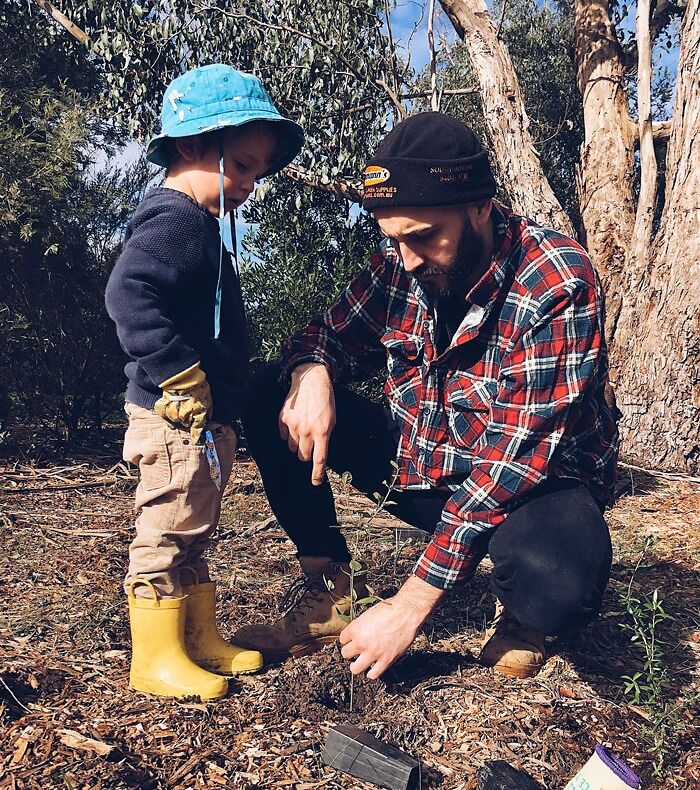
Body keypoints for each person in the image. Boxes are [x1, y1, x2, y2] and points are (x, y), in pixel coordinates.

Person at [234, 112, 619, 680]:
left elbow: (512, 462)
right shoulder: (401, 263)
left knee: (561, 577)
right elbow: (325, 333)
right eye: (393, 238)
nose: (407, 258)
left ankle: (524, 618)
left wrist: (410, 605)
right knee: (272, 389)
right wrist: (312, 373)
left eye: (423, 236)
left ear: (480, 208)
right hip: (426, 462)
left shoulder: (555, 281)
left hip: (532, 483)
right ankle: (328, 588)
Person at [105, 63, 304, 699]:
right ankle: (154, 659)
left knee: (194, 523)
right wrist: (178, 373)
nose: (249, 184)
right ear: (193, 146)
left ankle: (196, 638)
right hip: (172, 415)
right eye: (241, 165)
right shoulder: (177, 221)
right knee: (167, 527)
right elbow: (128, 293)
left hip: (200, 416)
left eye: (255, 171)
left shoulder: (198, 224)